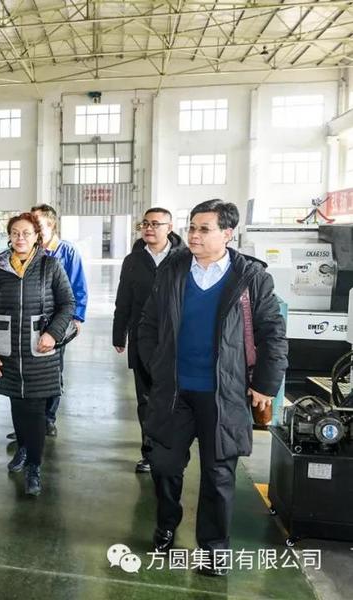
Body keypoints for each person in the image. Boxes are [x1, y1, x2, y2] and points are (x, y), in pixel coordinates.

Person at [137, 199, 287, 576]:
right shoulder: (172, 270)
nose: (194, 235)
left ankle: (214, 548)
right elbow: (149, 324)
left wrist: (265, 384)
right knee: (165, 465)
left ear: (227, 234)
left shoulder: (251, 277)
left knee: (219, 475)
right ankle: (166, 524)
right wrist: (158, 367)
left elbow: (272, 334)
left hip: (223, 394)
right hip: (174, 391)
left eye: (204, 229)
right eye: (192, 227)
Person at [0, 212, 75, 496]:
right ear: (9, 236)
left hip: (39, 350)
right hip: (8, 350)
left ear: (37, 236)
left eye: (26, 233)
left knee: (34, 411)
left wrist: (53, 334)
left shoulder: (50, 266)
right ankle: (23, 448)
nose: (20, 238)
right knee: (18, 406)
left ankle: (34, 465)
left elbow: (67, 304)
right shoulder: (0, 268)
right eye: (15, 233)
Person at [5, 204, 87, 440]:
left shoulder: (67, 252)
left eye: (37, 224)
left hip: (55, 324)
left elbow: (78, 287)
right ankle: (27, 423)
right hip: (25, 324)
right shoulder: (26, 252)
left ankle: (47, 419)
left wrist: (76, 318)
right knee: (25, 371)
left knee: (51, 371)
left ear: (51, 225)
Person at [113, 207, 185, 473]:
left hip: (176, 340)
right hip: (142, 339)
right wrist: (119, 333)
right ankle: (149, 452)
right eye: (145, 224)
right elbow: (124, 299)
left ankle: (172, 451)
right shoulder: (133, 260)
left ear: (170, 227)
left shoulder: (184, 259)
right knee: (146, 399)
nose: (149, 228)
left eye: (155, 224)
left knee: (173, 398)